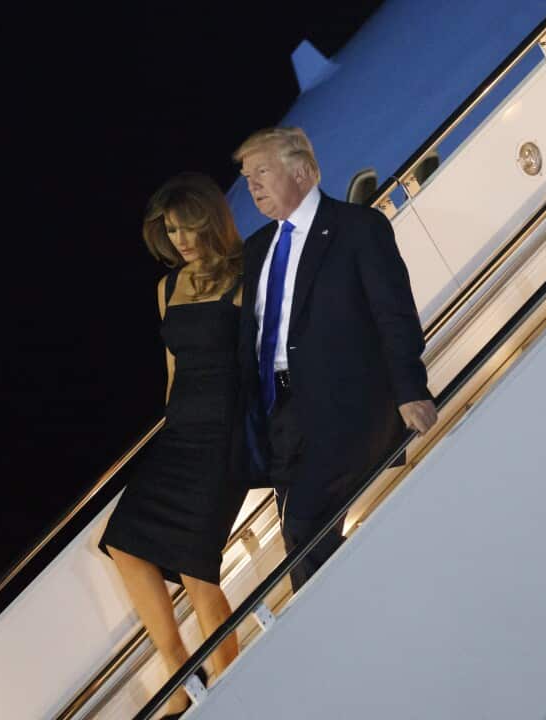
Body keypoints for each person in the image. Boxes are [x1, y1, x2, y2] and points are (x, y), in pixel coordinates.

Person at [235, 127, 437, 591]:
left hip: (345, 406)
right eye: (248, 179)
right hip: (280, 417)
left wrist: (410, 389)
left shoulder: (357, 228)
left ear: (303, 171)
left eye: (262, 172)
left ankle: (338, 628)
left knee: (306, 528)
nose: (253, 187)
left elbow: (394, 314)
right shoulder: (257, 249)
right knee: (300, 538)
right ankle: (363, 612)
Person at [98, 172, 246, 719]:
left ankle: (233, 686)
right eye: (171, 230)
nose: (181, 239)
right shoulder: (166, 288)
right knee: (123, 541)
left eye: (188, 226)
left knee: (196, 568)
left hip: (224, 434)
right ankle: (180, 673)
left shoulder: (243, 274)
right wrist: (168, 426)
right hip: (180, 433)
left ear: (210, 219)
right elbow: (172, 367)